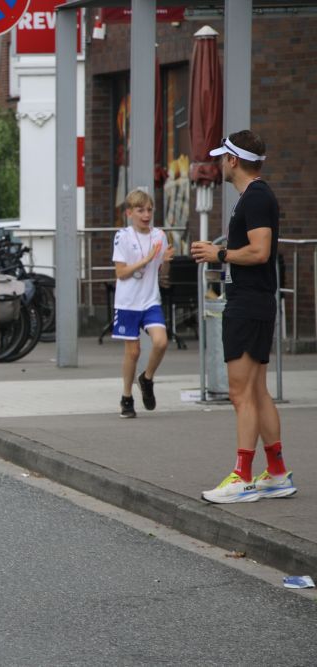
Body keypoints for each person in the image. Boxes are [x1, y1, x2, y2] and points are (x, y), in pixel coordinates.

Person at [192, 130, 295, 504]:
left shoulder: (255, 197)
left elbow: (260, 251)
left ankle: (242, 477)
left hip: (248, 305)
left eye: (223, 157)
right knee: (256, 391)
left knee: (240, 393)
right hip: (254, 303)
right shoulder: (256, 196)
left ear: (233, 160)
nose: (220, 163)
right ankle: (277, 473)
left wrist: (218, 254)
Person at [111, 189, 173, 418]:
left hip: (150, 300)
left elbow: (161, 273)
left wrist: (166, 261)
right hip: (127, 302)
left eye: (149, 210)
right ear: (129, 213)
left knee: (161, 342)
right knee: (133, 352)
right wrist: (145, 260)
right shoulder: (123, 236)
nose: (146, 215)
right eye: (140, 210)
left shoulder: (159, 236)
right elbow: (121, 273)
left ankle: (147, 378)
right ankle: (126, 397)